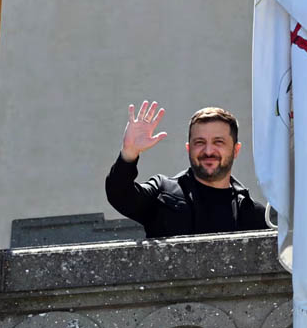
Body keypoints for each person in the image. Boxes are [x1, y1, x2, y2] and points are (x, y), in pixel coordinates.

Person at [105, 101, 268, 239]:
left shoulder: (252, 213)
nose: (208, 151)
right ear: (189, 149)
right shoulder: (163, 193)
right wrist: (129, 154)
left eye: (218, 142)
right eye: (200, 142)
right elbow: (120, 195)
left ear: (235, 150)